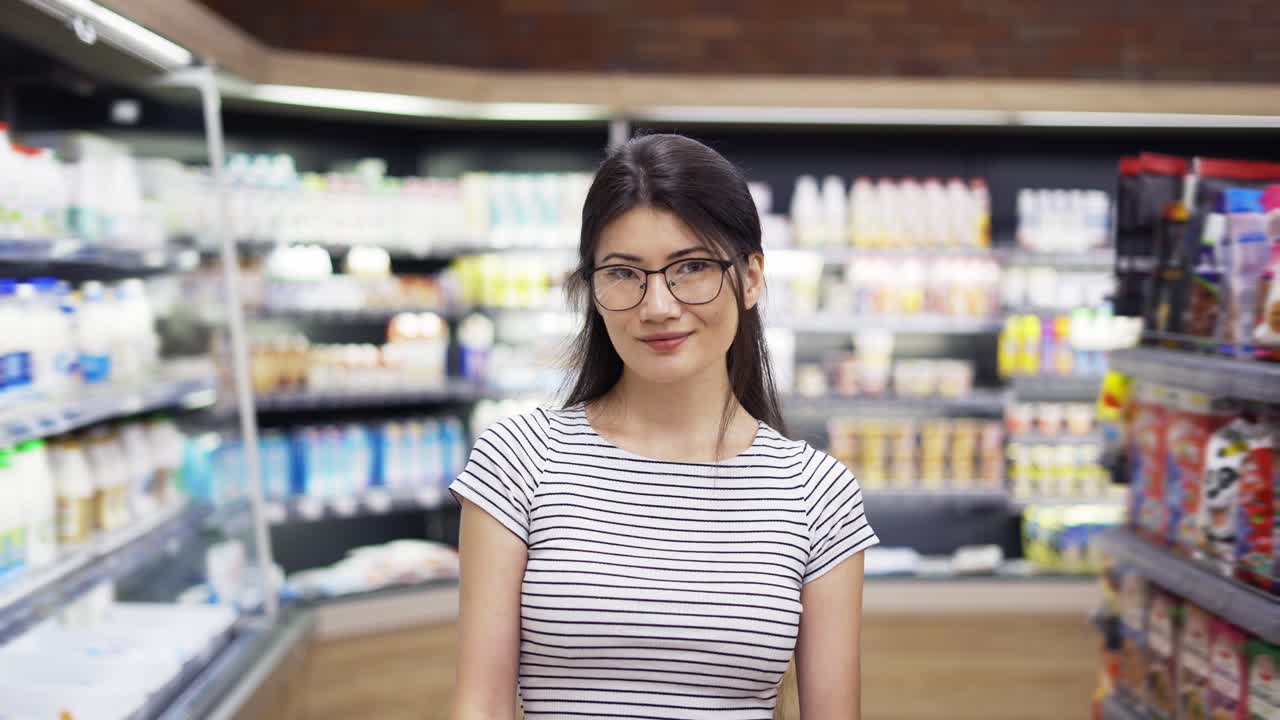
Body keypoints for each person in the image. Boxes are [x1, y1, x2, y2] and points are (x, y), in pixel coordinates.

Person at [450, 133, 878, 720]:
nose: (657, 306)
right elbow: (481, 704)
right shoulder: (519, 461)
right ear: (592, 288)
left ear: (751, 277)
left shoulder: (814, 493)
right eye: (625, 273)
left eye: (692, 267)